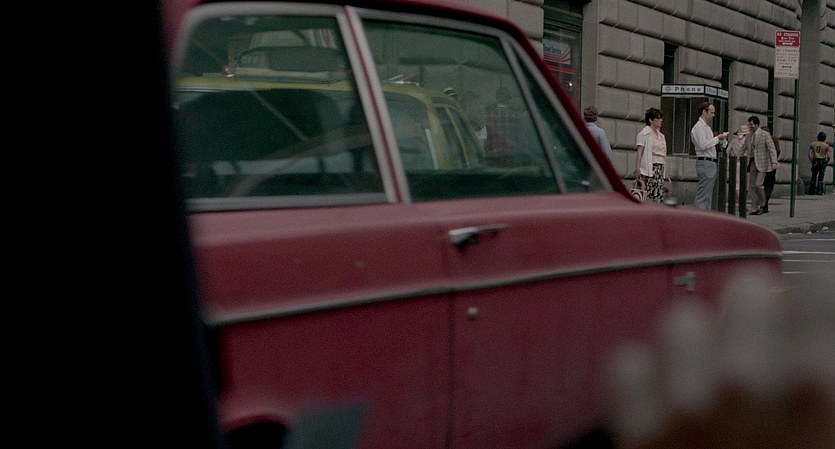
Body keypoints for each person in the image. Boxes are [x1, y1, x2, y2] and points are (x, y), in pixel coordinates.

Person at [690, 102, 729, 210]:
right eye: (711, 112)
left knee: (708, 194)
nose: (713, 115)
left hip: (710, 161)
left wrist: (721, 140)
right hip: (705, 161)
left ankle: (706, 215)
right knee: (704, 194)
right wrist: (717, 138)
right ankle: (699, 215)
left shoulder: (706, 127)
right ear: (704, 112)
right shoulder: (699, 127)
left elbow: (711, 144)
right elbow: (703, 145)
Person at [743, 116, 778, 215]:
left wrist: (774, 162)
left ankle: (763, 204)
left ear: (757, 124)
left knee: (758, 184)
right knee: (752, 186)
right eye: (749, 124)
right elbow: (744, 148)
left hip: (763, 163)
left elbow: (772, 149)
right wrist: (736, 157)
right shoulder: (749, 136)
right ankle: (754, 207)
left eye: (752, 124)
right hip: (753, 162)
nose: (750, 126)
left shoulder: (765, 134)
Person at [634, 107, 669, 203]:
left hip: (660, 168)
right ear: (650, 120)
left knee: (658, 195)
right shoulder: (644, 134)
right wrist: (638, 168)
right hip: (649, 168)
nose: (660, 120)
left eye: (661, 118)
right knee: (648, 194)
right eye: (657, 118)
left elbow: (663, 155)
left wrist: (665, 172)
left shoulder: (661, 136)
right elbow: (640, 152)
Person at [484, 86, 521, 165]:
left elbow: (487, 138)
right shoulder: (514, 116)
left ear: (497, 99)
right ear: (508, 99)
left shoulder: (489, 116)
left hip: (495, 154)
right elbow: (518, 136)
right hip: (510, 153)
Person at [760, 125, 781, 212]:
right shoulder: (774, 139)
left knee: (762, 184)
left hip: (761, 164)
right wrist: (774, 160)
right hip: (771, 165)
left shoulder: (760, 139)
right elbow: (778, 150)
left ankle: (764, 204)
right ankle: (765, 204)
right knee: (769, 185)